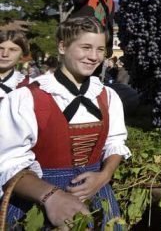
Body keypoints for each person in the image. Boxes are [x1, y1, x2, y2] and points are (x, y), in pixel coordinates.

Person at [0, 17, 131, 229]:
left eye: (100, 49)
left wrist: (104, 175)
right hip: (38, 200)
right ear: (62, 46)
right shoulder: (25, 98)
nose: (94, 57)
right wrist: (50, 196)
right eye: (86, 47)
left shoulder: (108, 96)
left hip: (98, 194)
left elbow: (115, 141)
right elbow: (7, 162)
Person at [0, 30, 30, 99]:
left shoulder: (29, 84)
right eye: (1, 48)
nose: (5, 54)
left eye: (12, 50)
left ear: (22, 54)